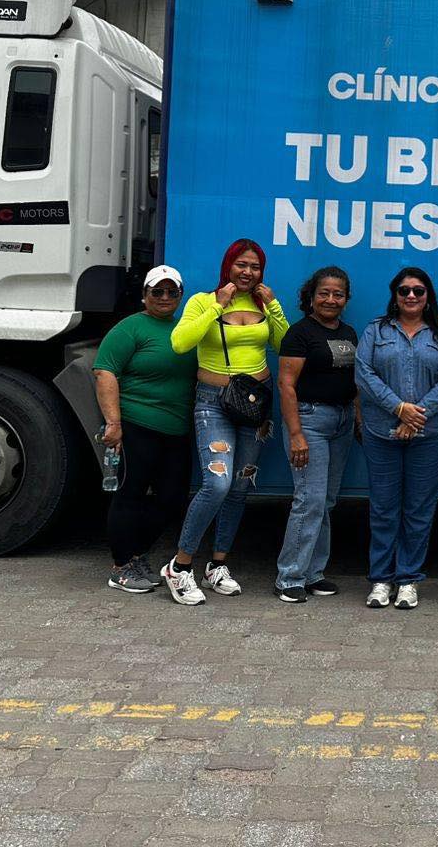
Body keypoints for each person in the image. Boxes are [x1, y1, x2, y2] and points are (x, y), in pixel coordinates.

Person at [163, 238, 289, 605]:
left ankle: (217, 565)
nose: (248, 272)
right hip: (213, 403)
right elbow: (180, 343)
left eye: (255, 267)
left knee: (239, 486)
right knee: (217, 483)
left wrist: (273, 306)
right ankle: (179, 566)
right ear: (228, 266)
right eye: (241, 265)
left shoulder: (263, 304)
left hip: (256, 405)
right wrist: (217, 306)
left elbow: (285, 347)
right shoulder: (203, 301)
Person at [355, 267, 438, 611]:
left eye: (418, 290)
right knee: (383, 508)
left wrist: (415, 417)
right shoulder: (376, 330)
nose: (411, 296)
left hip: (429, 435)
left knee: (418, 509)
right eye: (404, 290)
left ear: (428, 296)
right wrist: (398, 408)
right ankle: (381, 579)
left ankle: (408, 580)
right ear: (395, 295)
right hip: (380, 432)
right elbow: (364, 373)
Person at [92, 264, 197, 593]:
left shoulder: (185, 329)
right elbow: (104, 372)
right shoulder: (130, 328)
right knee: (130, 495)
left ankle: (136, 555)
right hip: (137, 425)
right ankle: (121, 567)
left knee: (173, 500)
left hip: (177, 429)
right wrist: (114, 423)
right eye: (157, 291)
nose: (165, 297)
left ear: (180, 295)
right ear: (144, 295)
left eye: (171, 291)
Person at [274, 266, 361, 602]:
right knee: (308, 500)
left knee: (325, 501)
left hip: (342, 421)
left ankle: (313, 573)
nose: (331, 299)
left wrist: (358, 419)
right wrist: (296, 433)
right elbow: (286, 385)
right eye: (324, 293)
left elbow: (354, 382)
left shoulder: (349, 333)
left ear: (346, 299)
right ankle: (289, 577)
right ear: (311, 296)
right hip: (309, 421)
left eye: (338, 294)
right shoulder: (299, 334)